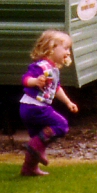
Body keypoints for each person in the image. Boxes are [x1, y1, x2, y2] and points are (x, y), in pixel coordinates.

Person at [19, 29, 78, 177]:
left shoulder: (53, 69)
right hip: (34, 107)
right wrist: (35, 81)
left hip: (31, 108)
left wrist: (68, 102)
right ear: (52, 48)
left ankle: (29, 168)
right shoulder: (41, 66)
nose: (68, 52)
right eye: (65, 48)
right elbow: (25, 79)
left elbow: (56, 88)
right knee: (61, 125)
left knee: (40, 138)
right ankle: (34, 148)